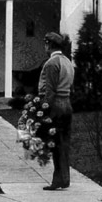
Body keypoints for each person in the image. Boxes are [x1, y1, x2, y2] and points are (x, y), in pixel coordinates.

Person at [38, 31, 75, 190]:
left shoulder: (52, 63)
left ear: (49, 45)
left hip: (57, 105)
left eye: (46, 44)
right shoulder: (67, 61)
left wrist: (45, 110)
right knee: (63, 143)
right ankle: (64, 178)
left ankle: (58, 180)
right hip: (67, 103)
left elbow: (50, 91)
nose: (45, 47)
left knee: (56, 144)